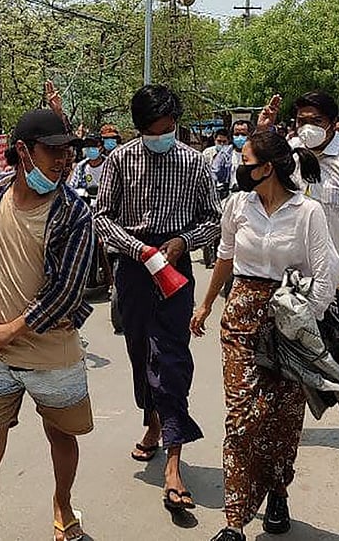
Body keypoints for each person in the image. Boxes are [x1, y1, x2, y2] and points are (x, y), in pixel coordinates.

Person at [0, 105, 97, 541]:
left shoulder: (75, 215)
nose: (64, 160)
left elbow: (68, 292)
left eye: (67, 152)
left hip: (52, 352)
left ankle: (63, 504)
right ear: (22, 152)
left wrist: (12, 328)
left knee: (61, 434)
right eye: (52, 151)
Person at [191, 132, 339, 541]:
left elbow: (325, 279)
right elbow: (224, 256)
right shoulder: (237, 205)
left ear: (267, 168)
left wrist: (303, 322)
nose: (240, 168)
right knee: (241, 417)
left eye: (246, 161)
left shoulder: (307, 212)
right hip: (240, 316)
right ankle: (234, 520)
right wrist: (204, 305)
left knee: (282, 418)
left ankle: (277, 491)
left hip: (289, 322)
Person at [95, 83, 221, 512]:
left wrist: (183, 242)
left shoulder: (194, 163)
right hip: (134, 268)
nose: (162, 135)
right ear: (140, 129)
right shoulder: (119, 160)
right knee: (139, 355)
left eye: (168, 128)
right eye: (154, 130)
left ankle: (173, 461)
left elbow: (214, 220)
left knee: (169, 360)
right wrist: (137, 249)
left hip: (174, 265)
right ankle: (152, 423)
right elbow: (102, 218)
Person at [258, 92, 339, 425]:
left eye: (316, 121)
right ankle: (288, 416)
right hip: (297, 276)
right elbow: (258, 175)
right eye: (302, 120)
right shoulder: (291, 154)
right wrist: (264, 131)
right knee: (290, 344)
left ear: (333, 124)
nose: (308, 127)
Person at [203, 129, 235, 268]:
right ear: (214, 140)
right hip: (209, 192)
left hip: (224, 193)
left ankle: (218, 256)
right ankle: (209, 259)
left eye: (224, 142)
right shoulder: (207, 154)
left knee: (221, 226)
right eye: (219, 141)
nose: (221, 144)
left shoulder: (230, 154)